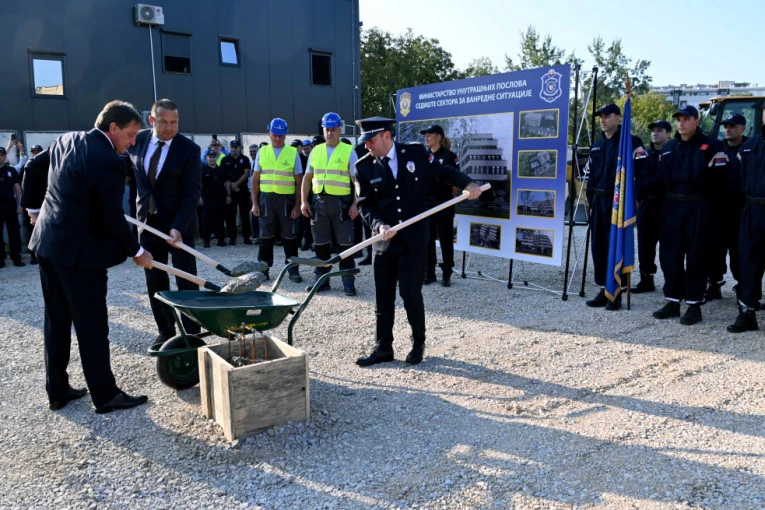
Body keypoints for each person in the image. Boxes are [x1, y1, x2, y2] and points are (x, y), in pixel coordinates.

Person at [28, 99, 152, 414]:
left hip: (47, 243)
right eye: (130, 135)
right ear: (113, 127)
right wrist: (138, 250)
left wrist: (33, 210)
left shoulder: (67, 139)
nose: (132, 142)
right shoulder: (109, 161)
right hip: (80, 255)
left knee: (56, 321)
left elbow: (32, 167)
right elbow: (112, 217)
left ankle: (57, 391)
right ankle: (106, 395)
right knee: (92, 325)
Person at [354, 117, 482, 366]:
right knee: (383, 296)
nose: (367, 146)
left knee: (410, 293)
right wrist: (379, 225)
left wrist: (468, 183)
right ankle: (383, 347)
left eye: (371, 140)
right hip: (384, 241)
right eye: (365, 142)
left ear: (386, 136)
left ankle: (418, 343)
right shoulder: (364, 166)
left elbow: (444, 171)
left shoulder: (415, 153)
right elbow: (364, 204)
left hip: (413, 239)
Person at [128, 99, 202, 344]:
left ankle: (192, 333)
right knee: (155, 278)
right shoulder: (137, 141)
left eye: (174, 122)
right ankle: (166, 331)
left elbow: (191, 193)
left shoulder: (188, 149)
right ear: (151, 120)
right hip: (147, 223)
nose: (170, 127)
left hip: (178, 225)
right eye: (163, 122)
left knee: (186, 278)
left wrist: (178, 226)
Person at [652, 105, 727, 325]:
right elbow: (659, 180)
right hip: (672, 208)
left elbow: (721, 182)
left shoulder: (712, 146)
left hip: (699, 207)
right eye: (678, 119)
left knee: (697, 257)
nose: (681, 123)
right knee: (669, 256)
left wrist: (713, 212)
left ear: (697, 121)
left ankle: (694, 305)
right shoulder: (669, 147)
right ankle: (673, 301)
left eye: (686, 119)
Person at [584, 103, 645, 311]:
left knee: (616, 245)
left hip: (619, 203)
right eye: (600, 116)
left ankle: (618, 291)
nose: (603, 120)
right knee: (599, 247)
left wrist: (637, 199)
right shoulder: (597, 144)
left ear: (618, 117)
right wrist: (590, 202)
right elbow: (591, 178)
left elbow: (644, 173)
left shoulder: (630, 142)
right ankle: (604, 289)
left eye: (607, 116)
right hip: (599, 201)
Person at [301, 112, 359, 295]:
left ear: (340, 129)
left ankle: (348, 283)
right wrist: (303, 201)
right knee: (321, 245)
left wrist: (355, 204)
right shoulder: (316, 151)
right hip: (319, 204)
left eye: (333, 129)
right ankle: (322, 281)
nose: (330, 133)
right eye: (327, 129)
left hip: (342, 205)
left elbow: (357, 181)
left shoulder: (349, 151)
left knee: (345, 246)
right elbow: (307, 178)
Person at [251, 118, 304, 283]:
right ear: (269, 133)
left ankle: (293, 270)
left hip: (287, 201)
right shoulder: (262, 152)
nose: (278, 138)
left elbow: (299, 181)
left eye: (281, 135)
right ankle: (263, 270)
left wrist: (298, 205)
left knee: (290, 236)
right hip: (266, 199)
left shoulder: (292, 153)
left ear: (285, 135)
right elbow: (255, 179)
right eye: (275, 135)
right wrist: (254, 203)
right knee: (265, 236)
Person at [728, 106, 765, 332]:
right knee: (749, 262)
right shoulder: (750, 147)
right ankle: (747, 313)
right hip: (752, 210)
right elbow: (740, 181)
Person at [705, 114, 748, 301]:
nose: (728, 129)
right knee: (714, 249)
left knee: (740, 250)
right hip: (717, 208)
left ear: (743, 128)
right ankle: (714, 284)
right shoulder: (717, 148)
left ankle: (743, 286)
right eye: (726, 126)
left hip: (740, 209)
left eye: (733, 126)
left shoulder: (749, 149)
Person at [632, 120, 671, 293]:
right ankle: (646, 279)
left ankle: (672, 282)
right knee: (645, 245)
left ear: (668, 134)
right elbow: (637, 177)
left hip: (666, 206)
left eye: (660, 130)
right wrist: (637, 198)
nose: (655, 133)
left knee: (669, 247)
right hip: (647, 205)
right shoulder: (644, 154)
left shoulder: (673, 153)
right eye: (653, 130)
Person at [421, 124, 459, 287]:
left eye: (430, 135)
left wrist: (449, 198)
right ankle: (429, 272)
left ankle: (446, 273)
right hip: (427, 204)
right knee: (427, 239)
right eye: (426, 135)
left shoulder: (449, 156)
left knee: (445, 239)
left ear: (439, 137)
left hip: (444, 204)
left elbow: (455, 181)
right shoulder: (424, 156)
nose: (427, 138)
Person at [20, 147, 51, 266]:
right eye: (33, 153)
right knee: (33, 232)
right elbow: (23, 186)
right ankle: (34, 255)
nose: (35, 155)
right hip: (34, 206)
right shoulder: (30, 166)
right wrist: (30, 209)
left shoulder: (50, 166)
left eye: (37, 153)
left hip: (47, 205)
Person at [220, 139, 252, 245]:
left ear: (239, 148)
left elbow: (246, 173)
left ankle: (246, 237)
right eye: (232, 147)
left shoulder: (245, 159)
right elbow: (224, 177)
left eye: (236, 147)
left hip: (242, 190)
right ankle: (232, 237)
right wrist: (231, 189)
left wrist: (236, 184)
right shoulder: (225, 160)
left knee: (245, 215)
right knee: (230, 215)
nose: (233, 149)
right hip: (230, 191)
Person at [0, 146, 25, 267]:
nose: (0, 157)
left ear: (5, 156)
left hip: (10, 204)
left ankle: (16, 257)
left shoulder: (11, 170)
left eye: (2, 155)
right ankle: (0, 259)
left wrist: (20, 205)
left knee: (14, 231)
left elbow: (17, 189)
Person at [200, 149, 228, 248]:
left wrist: (228, 195)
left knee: (220, 219)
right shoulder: (203, 170)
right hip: (207, 198)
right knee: (207, 220)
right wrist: (199, 197)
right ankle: (206, 241)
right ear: (206, 158)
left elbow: (226, 183)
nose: (212, 159)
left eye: (214, 157)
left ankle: (221, 240)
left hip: (220, 198)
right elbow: (198, 184)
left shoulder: (221, 169)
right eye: (210, 157)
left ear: (216, 158)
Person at [248, 143, 260, 244]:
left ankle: (261, 234)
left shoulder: (260, 163)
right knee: (253, 213)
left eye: (254, 151)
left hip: (259, 191)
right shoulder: (249, 163)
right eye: (251, 151)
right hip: (249, 190)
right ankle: (256, 233)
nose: (252, 153)